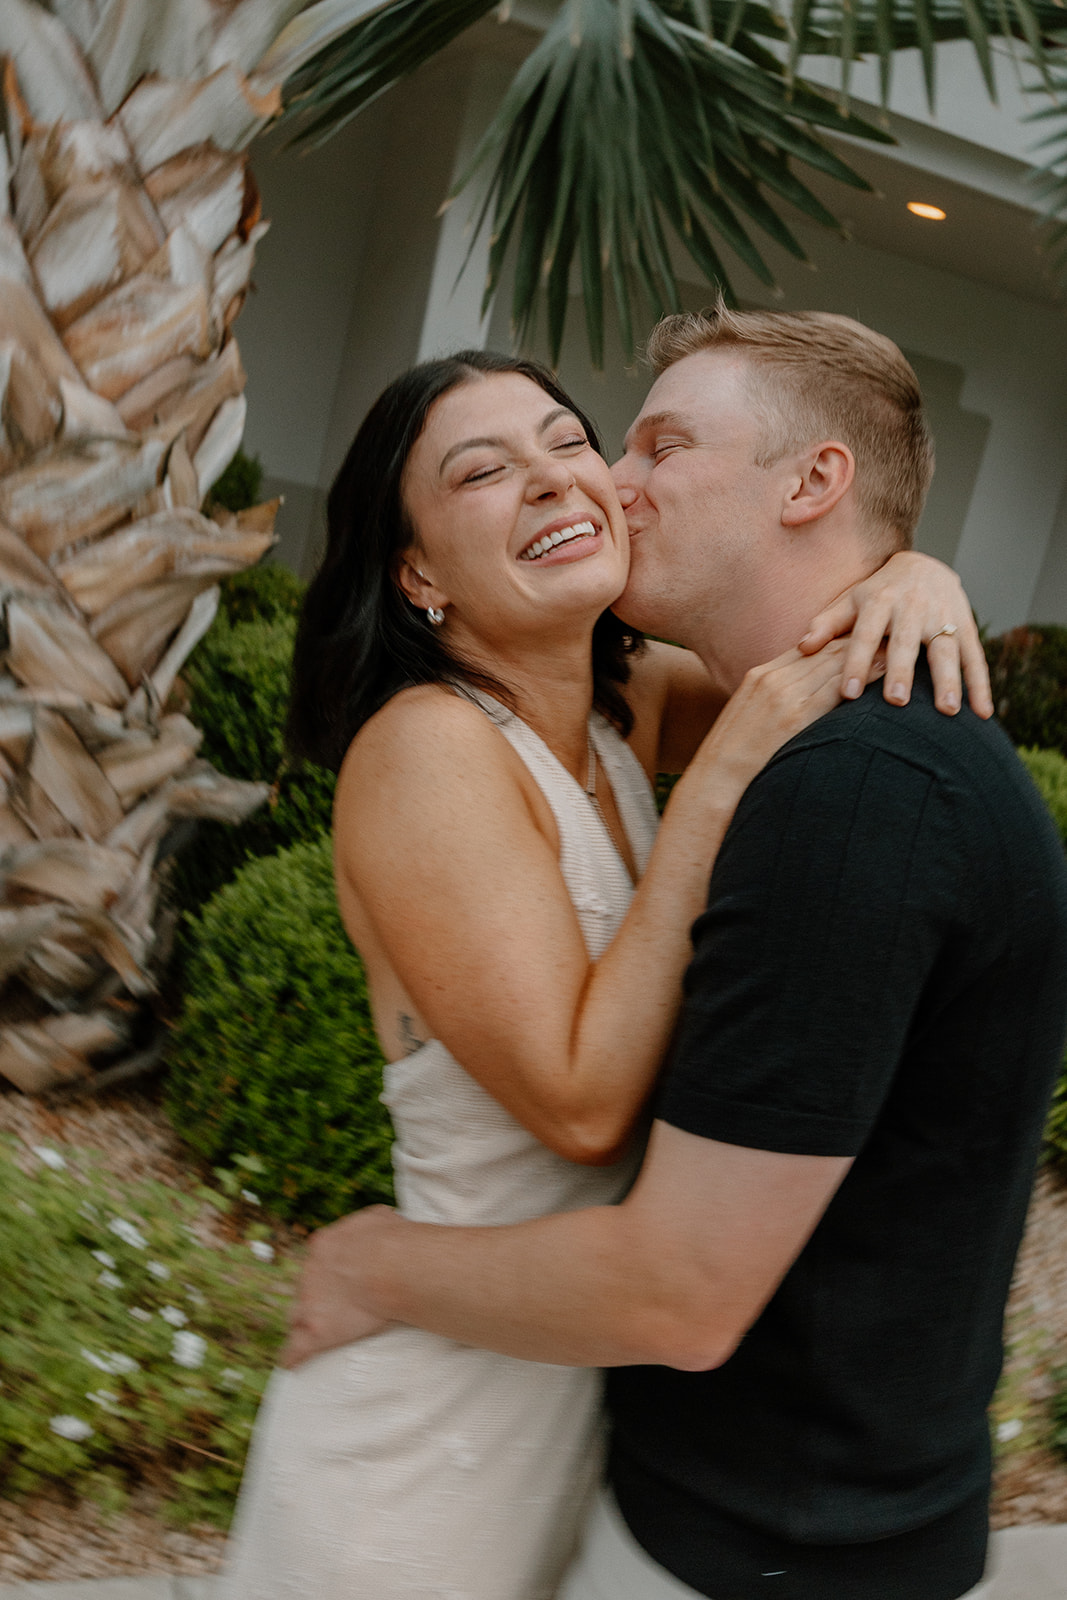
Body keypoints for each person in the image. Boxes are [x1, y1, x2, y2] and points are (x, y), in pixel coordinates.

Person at [282, 309, 1067, 1600]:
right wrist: (717, 790)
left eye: (575, 441)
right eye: (480, 471)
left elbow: (820, 654)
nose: (573, 476)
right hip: (457, 1367)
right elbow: (583, 1102)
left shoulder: (630, 700)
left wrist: (915, 575)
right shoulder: (429, 747)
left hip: (588, 1380)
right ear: (417, 573)